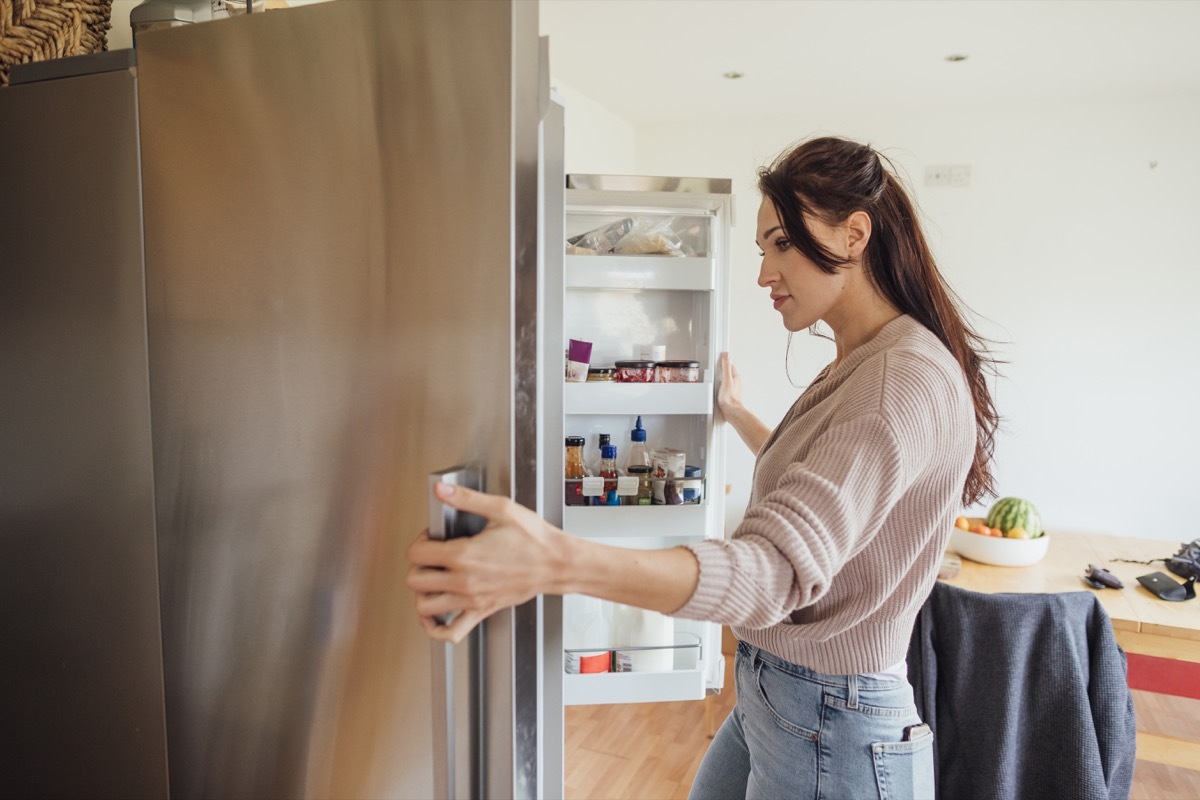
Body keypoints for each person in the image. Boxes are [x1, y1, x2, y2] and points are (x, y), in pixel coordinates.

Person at [407, 135, 998, 799]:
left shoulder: (897, 380)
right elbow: (830, 477)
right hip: (783, 695)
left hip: (834, 722)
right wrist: (736, 413)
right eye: (761, 250)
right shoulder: (872, 361)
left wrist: (554, 563)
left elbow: (773, 571)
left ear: (853, 233)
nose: (764, 273)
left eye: (780, 244)